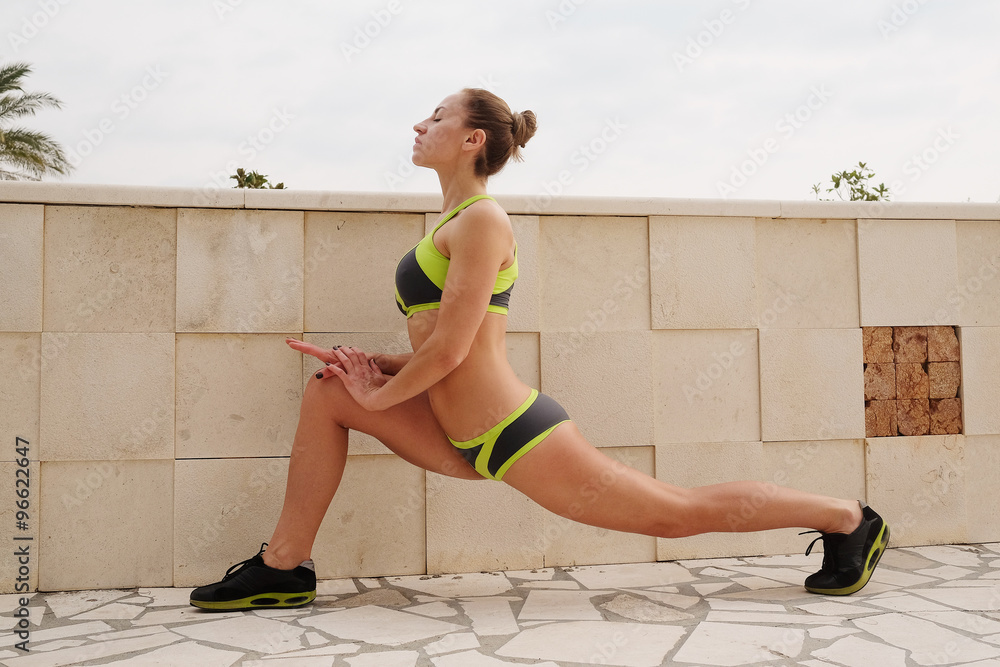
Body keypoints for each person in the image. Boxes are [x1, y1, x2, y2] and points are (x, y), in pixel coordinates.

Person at [190, 88, 889, 611]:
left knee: (673, 513)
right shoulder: (452, 221)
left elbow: (455, 351)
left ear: (471, 141)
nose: (419, 124)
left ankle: (847, 518)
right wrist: (372, 368)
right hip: (452, 426)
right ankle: (285, 565)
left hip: (511, 429)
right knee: (327, 391)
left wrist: (381, 391)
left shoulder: (484, 220)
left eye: (436, 117)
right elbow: (438, 349)